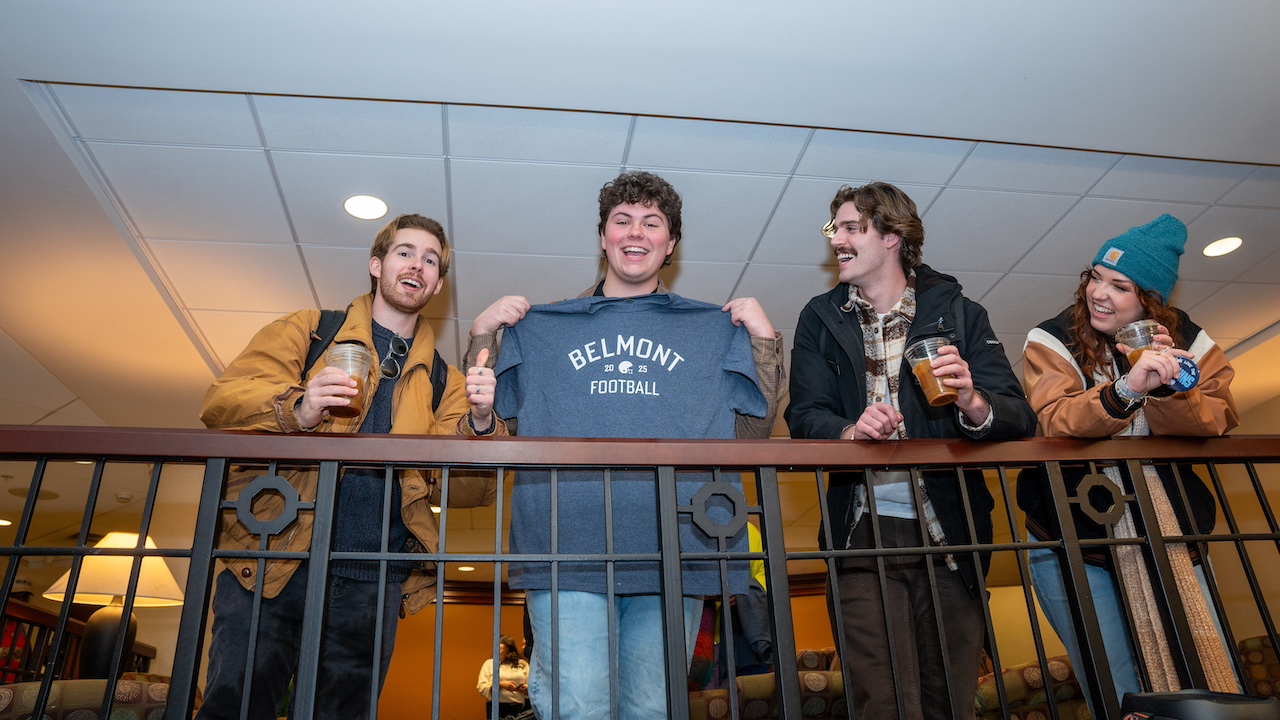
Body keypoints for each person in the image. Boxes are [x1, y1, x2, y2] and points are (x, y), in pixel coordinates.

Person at [463, 171, 785, 720]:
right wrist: (482, 335)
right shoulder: (544, 328)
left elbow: (750, 434)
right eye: (622, 220)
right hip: (567, 546)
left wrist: (764, 342)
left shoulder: (709, 328)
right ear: (603, 236)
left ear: (671, 243)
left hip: (675, 547)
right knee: (579, 705)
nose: (636, 233)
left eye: (651, 223)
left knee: (652, 709)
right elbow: (493, 434)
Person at [197, 213, 507, 720]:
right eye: (405, 252)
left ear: (438, 284)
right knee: (235, 707)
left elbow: (473, 490)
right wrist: (297, 406)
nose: (418, 265)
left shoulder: (444, 383)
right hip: (275, 562)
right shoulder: (309, 331)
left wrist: (478, 423)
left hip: (372, 581)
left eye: (431, 260)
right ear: (377, 264)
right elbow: (222, 400)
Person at [785, 182, 1036, 719]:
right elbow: (804, 415)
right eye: (835, 229)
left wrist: (969, 398)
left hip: (949, 528)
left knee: (951, 698)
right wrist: (852, 432)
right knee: (880, 700)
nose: (837, 239)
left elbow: (1017, 415)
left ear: (893, 236)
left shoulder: (961, 312)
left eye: (851, 227)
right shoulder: (819, 318)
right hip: (859, 532)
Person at [1018, 214, 1240, 711]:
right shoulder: (1051, 337)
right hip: (1069, 537)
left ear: (1149, 300)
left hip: (1171, 532)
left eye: (1119, 286)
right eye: (1095, 277)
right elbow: (1054, 418)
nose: (1099, 292)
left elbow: (1219, 416)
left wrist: (1167, 385)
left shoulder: (1190, 342)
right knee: (1114, 687)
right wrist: (1125, 390)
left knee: (1203, 667)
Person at [477, 635, 530, 719]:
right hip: (496, 706)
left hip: (517, 707)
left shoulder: (522, 664)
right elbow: (481, 686)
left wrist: (526, 688)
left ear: (509, 648)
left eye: (500, 649)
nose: (498, 651)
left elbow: (532, 685)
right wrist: (500, 685)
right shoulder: (489, 664)